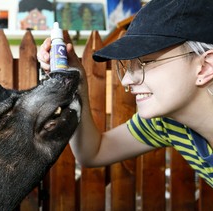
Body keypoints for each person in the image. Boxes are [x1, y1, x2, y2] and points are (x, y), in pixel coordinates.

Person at [37, 0, 213, 187]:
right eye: (130, 65)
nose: (127, 80)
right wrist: (76, 82)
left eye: (147, 62)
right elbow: (94, 152)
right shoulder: (167, 124)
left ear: (204, 67)